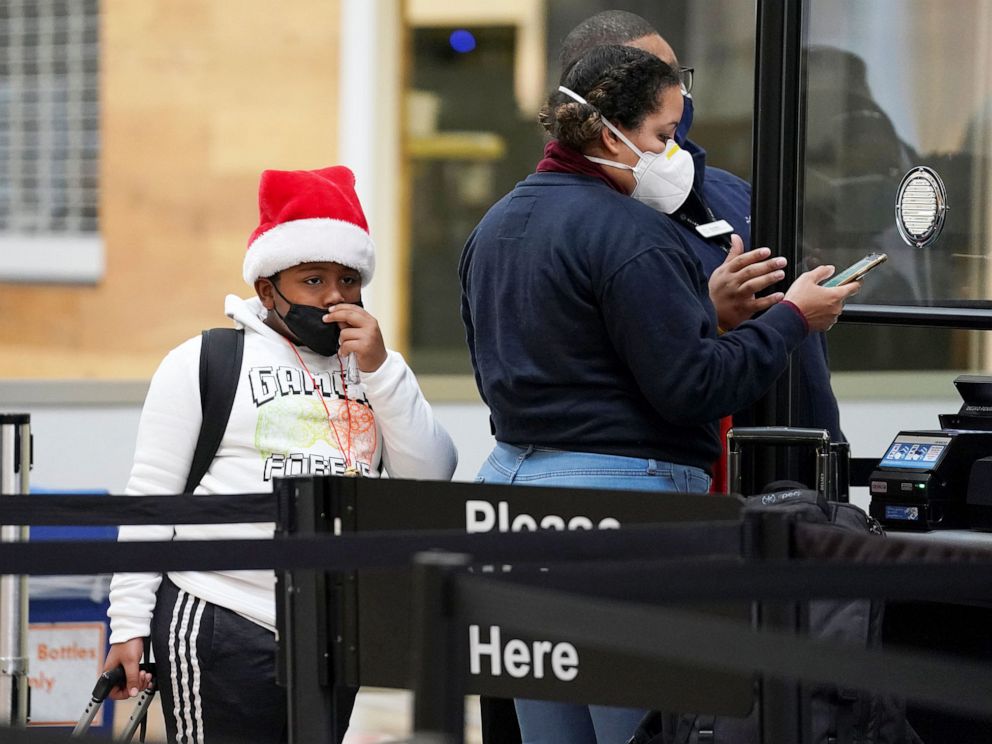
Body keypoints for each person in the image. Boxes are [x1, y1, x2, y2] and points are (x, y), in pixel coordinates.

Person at [459, 45, 859, 744]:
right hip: (620, 507)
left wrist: (702, 315)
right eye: (662, 135)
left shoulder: (494, 226)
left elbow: (570, 350)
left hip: (511, 500)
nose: (673, 154)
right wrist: (793, 319)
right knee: (640, 729)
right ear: (608, 132)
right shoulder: (635, 235)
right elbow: (694, 388)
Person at [103, 165, 458, 744]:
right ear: (268, 289)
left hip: (334, 629)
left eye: (347, 280)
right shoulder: (204, 361)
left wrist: (382, 369)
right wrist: (128, 627)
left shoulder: (374, 368)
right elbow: (150, 502)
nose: (335, 297)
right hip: (221, 617)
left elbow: (430, 475)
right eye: (312, 280)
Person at [559, 11, 847, 466]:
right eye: (654, 76)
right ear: (603, 105)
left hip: (806, 451)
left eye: (677, 75)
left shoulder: (734, 192)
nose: (674, 90)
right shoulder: (600, 219)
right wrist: (710, 313)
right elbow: (615, 366)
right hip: (707, 468)